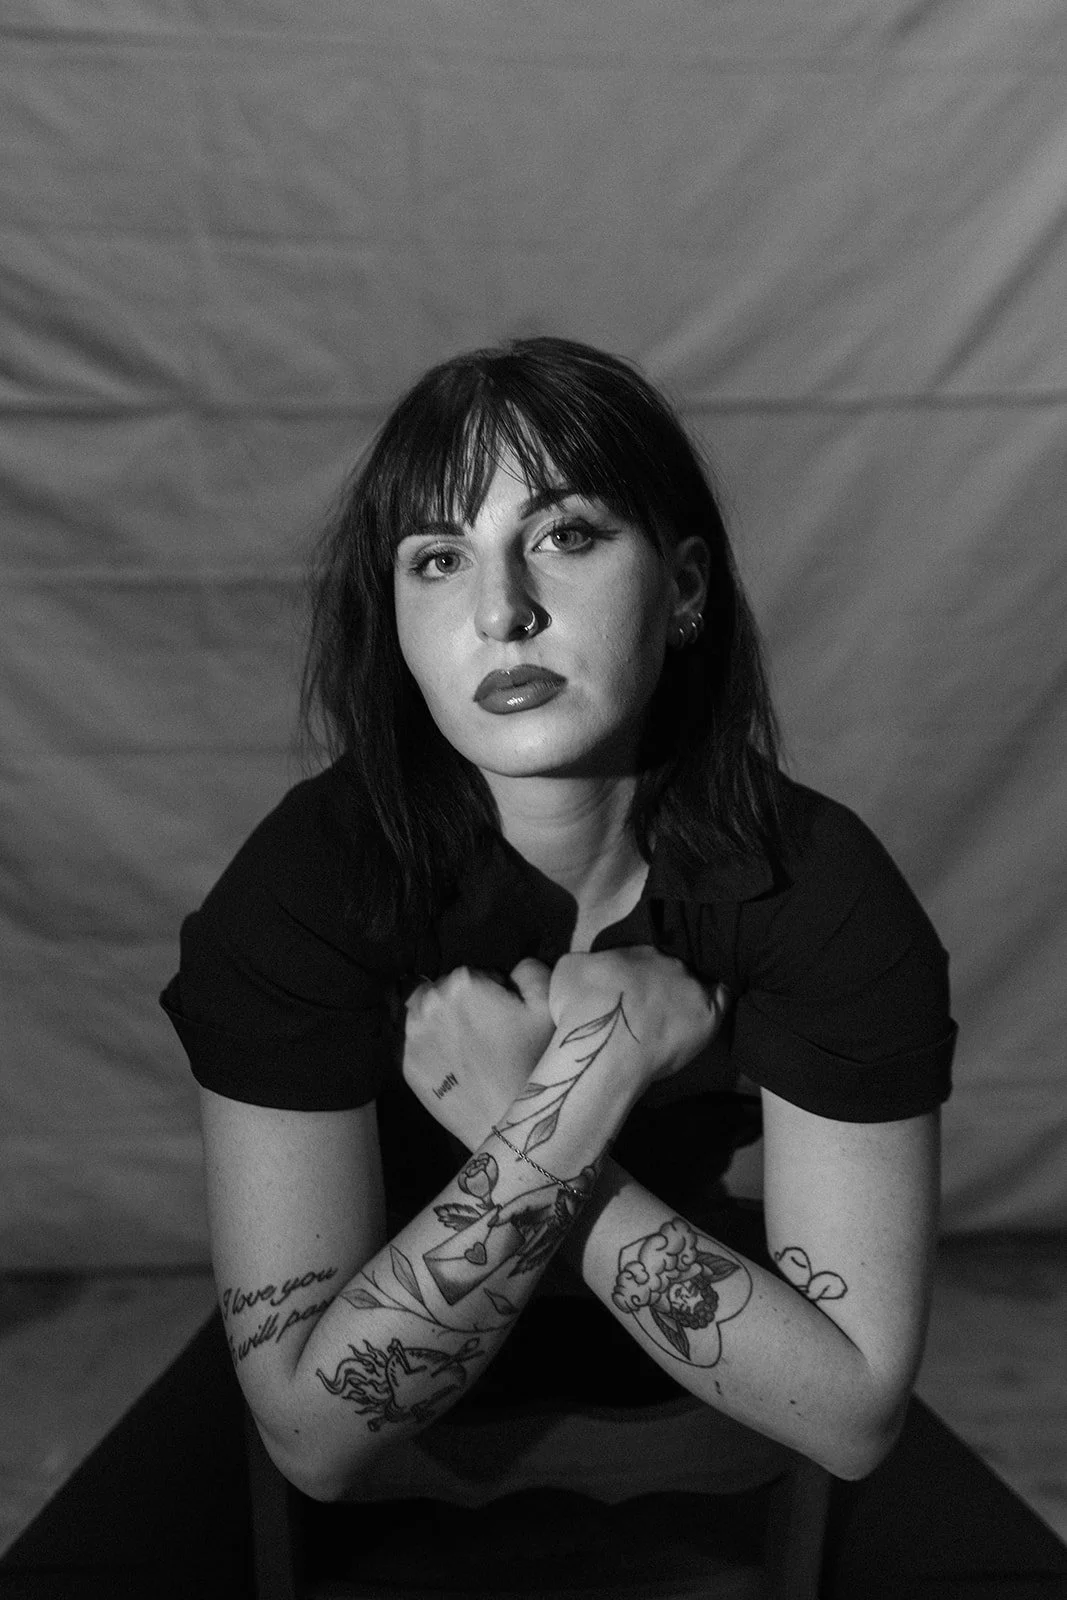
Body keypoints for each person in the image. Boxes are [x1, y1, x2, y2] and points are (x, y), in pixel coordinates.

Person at [161, 336, 956, 1501]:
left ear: (683, 587)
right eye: (437, 558)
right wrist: (595, 1074)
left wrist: (518, 1111)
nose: (501, 610)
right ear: (395, 624)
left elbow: (848, 1419)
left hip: (723, 1432)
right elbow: (313, 1440)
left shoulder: (816, 887)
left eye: (565, 535)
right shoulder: (308, 886)